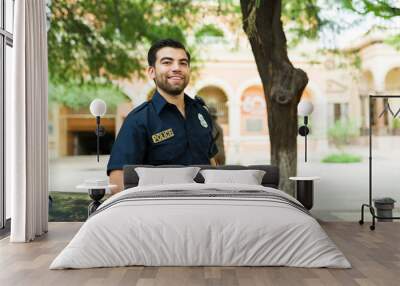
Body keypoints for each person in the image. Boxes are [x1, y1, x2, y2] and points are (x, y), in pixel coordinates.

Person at [107, 39, 218, 194]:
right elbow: (117, 179)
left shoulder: (201, 113)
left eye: (183, 63)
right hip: (162, 211)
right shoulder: (138, 120)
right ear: (151, 71)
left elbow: (211, 161)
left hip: (206, 206)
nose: (176, 68)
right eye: (167, 62)